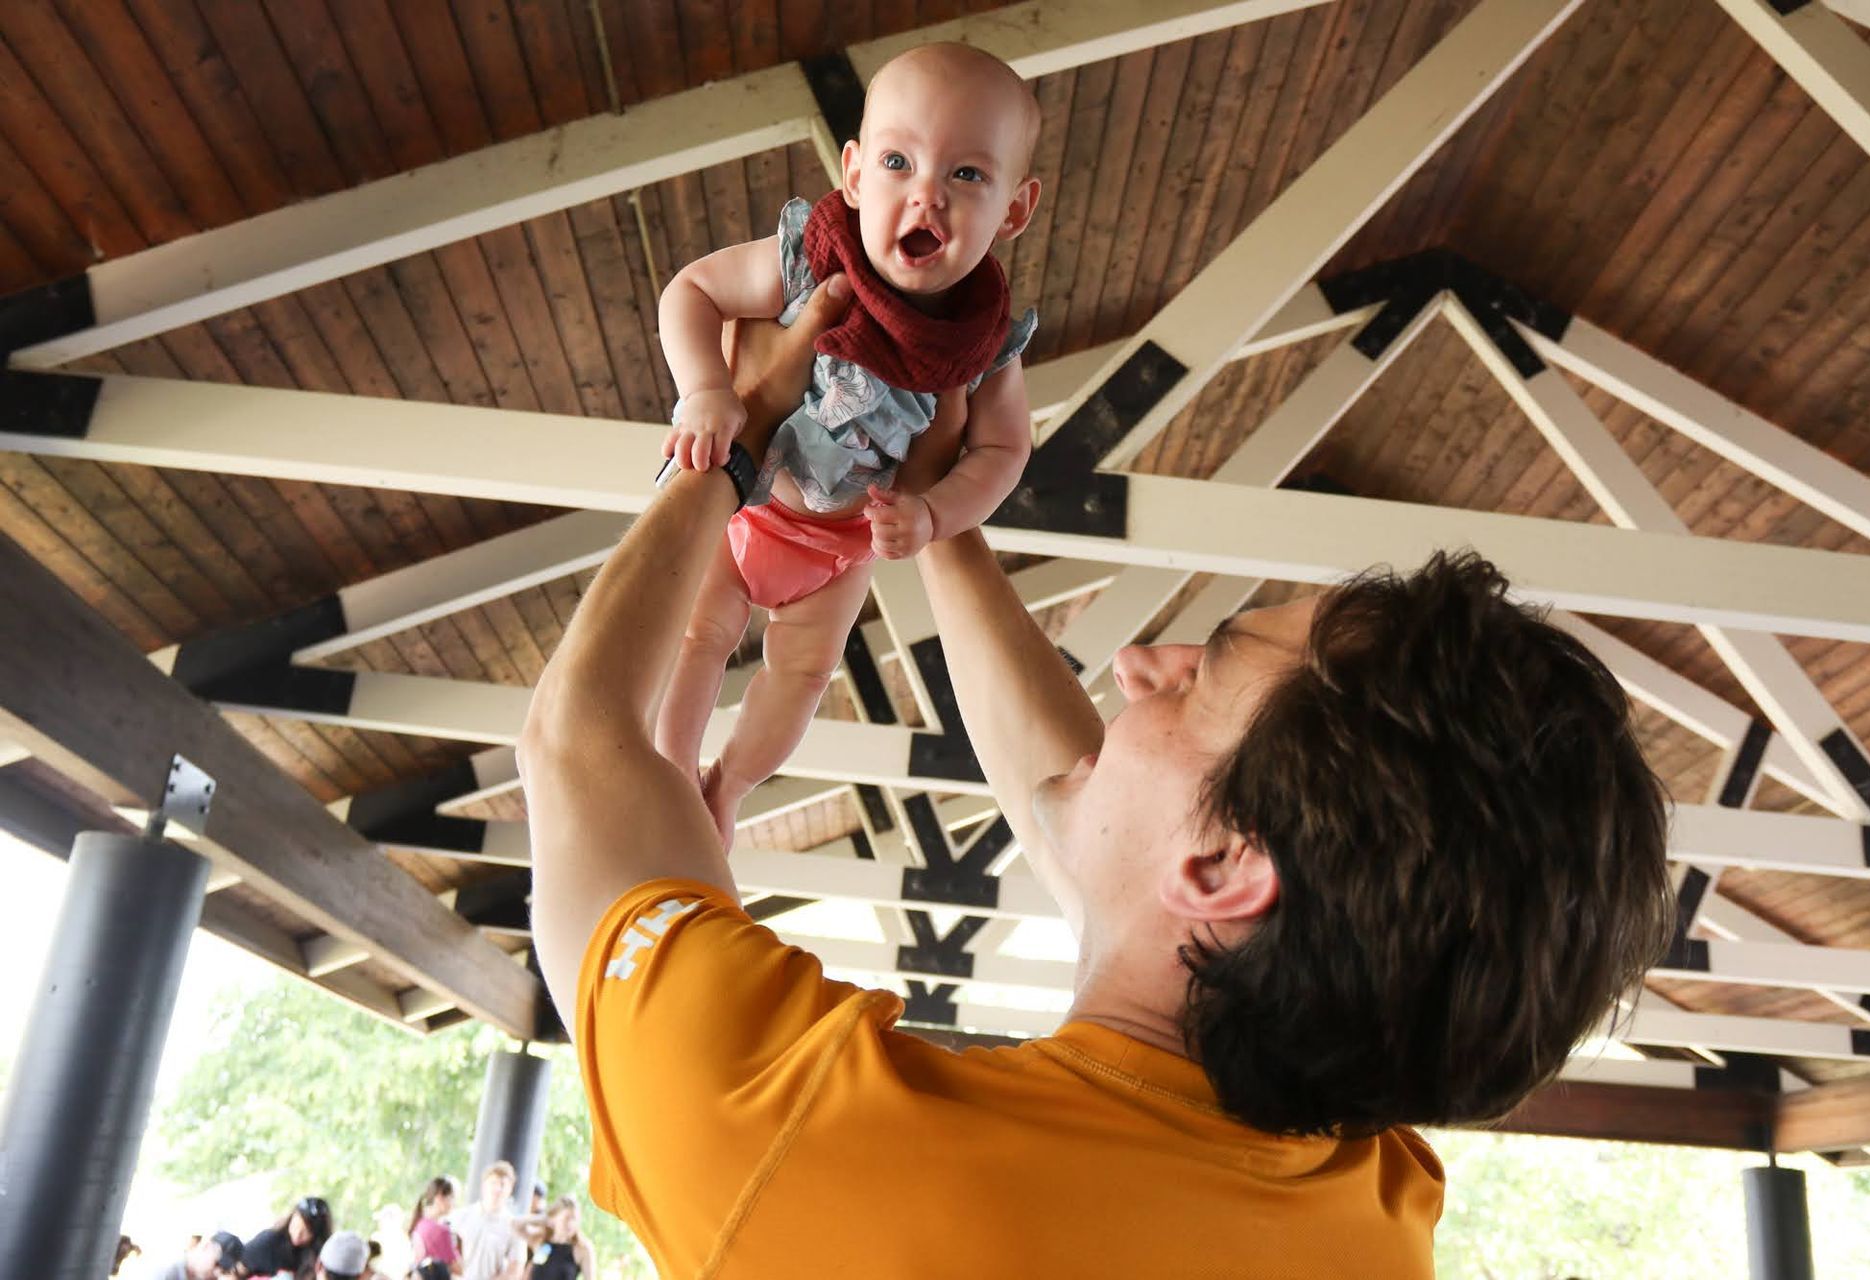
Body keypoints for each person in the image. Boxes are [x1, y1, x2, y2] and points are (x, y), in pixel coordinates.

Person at [519, 263, 1675, 1274]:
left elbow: (578, 744)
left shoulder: (819, 1141)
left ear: (1225, 866)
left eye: (1202, 677)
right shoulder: (1363, 1203)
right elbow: (1098, 825)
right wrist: (937, 518)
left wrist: (732, 439)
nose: (1140, 665)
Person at [651, 41, 1044, 852]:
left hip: (839, 546)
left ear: (1015, 209)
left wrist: (935, 514)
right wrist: (704, 390)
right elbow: (692, 290)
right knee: (697, 637)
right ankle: (670, 770)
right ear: (856, 174)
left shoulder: (986, 345)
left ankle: (729, 786)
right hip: (747, 503)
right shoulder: (808, 262)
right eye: (899, 162)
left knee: (802, 675)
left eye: (968, 174)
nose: (927, 194)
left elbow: (1004, 451)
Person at [445, 1162, 525, 1280]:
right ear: (484, 1185)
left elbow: (515, 1271)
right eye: (493, 1183)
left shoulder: (514, 1226)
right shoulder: (460, 1217)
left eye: (503, 1184)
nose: (497, 1189)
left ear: (510, 1189)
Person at [241, 1197, 329, 1278]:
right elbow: (237, 1269)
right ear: (291, 1218)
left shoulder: (321, 1257)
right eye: (296, 1226)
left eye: (306, 1232)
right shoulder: (268, 1242)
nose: (297, 1235)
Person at [524, 1197, 592, 1280]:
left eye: (574, 1219)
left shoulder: (582, 1248)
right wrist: (545, 1219)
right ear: (554, 1219)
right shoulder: (541, 1241)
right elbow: (515, 1225)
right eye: (566, 1218)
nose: (570, 1224)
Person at [407, 1176, 460, 1279]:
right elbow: (458, 1268)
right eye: (452, 1197)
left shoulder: (419, 1224)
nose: (453, 1203)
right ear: (440, 1197)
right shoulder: (441, 1231)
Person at [135, 1230, 245, 1280]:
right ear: (206, 1247)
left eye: (224, 1270)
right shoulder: (164, 1268)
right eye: (217, 1264)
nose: (218, 1273)